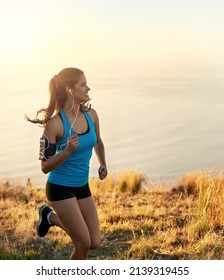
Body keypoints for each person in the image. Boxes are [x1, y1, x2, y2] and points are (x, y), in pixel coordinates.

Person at [26, 67, 107, 260]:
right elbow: (45, 167)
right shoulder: (54, 124)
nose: (88, 88)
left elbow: (98, 141)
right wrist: (67, 151)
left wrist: (103, 163)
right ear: (69, 89)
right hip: (59, 188)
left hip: (82, 186)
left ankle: (49, 217)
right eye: (83, 84)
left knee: (94, 242)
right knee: (83, 244)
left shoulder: (92, 114)